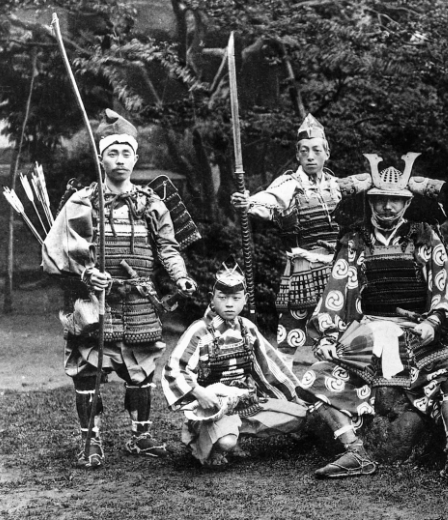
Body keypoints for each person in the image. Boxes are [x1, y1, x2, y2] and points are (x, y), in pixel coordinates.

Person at [298, 153, 448, 489]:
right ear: (370, 201)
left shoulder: (425, 236)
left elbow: (445, 288)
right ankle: (355, 451)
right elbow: (337, 291)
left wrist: (433, 323)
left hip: (415, 335)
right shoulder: (355, 240)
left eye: (395, 200)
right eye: (379, 199)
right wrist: (328, 337)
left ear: (407, 202)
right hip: (366, 338)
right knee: (314, 379)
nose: (387, 207)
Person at [42, 109, 197, 468]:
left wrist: (180, 276)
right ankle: (90, 441)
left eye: (126, 153)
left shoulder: (151, 204)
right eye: (113, 153)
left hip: (140, 301)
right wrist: (86, 274)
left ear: (136, 158)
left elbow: (168, 248)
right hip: (96, 301)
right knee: (89, 369)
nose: (120, 160)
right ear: (101, 159)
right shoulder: (82, 202)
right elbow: (58, 251)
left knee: (140, 369)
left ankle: (140, 436)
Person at [161, 263, 308, 467]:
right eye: (222, 297)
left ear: (245, 300)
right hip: (213, 406)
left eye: (236, 298)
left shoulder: (247, 328)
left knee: (300, 415)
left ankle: (234, 431)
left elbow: (270, 369)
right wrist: (199, 392)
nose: (229, 304)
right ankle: (212, 439)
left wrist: (297, 397)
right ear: (212, 298)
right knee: (226, 442)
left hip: (246, 401)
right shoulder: (199, 330)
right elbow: (175, 369)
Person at [230, 114, 341, 361]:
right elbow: (269, 200)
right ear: (297, 155)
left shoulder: (337, 186)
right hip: (303, 268)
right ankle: (281, 380)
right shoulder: (290, 184)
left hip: (337, 271)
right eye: (304, 151)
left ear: (327, 153)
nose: (310, 156)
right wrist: (248, 201)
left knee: (338, 333)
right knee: (291, 334)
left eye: (316, 150)